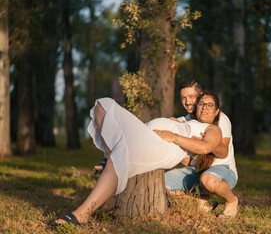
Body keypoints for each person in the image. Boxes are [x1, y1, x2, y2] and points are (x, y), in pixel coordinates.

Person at [55, 92, 223, 225]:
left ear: (216, 111)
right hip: (148, 135)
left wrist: (173, 136)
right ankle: (108, 155)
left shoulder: (213, 129)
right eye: (201, 103)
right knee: (103, 104)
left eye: (210, 105)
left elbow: (205, 147)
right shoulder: (186, 120)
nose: (204, 108)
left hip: (166, 147)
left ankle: (82, 214)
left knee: (121, 153)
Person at [165, 80, 238, 218]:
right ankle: (200, 202)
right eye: (183, 98)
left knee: (208, 179)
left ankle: (232, 201)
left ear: (200, 95)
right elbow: (187, 162)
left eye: (192, 97)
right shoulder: (183, 122)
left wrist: (204, 144)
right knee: (160, 184)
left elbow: (223, 152)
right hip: (196, 171)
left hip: (222, 169)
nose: (188, 102)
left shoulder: (219, 118)